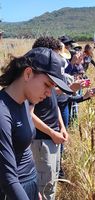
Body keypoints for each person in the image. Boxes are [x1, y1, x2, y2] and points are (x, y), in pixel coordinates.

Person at [0, 47, 70, 200]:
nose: (48, 93)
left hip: (28, 185)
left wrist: (33, 188)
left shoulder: (25, 103)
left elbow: (24, 150)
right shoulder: (2, 112)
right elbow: (8, 179)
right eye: (47, 85)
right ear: (28, 73)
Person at [30, 36, 73, 200]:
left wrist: (61, 127)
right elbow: (29, 113)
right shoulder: (34, 85)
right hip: (42, 140)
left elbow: (54, 105)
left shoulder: (49, 81)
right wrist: (51, 132)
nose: (58, 60)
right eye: (55, 56)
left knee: (51, 183)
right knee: (43, 188)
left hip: (53, 137)